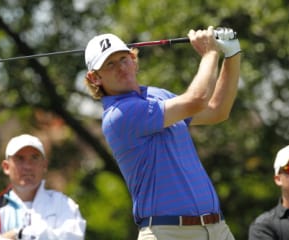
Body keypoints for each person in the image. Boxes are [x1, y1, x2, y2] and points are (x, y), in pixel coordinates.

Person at [83, 26, 241, 239]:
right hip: (166, 232)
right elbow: (196, 99)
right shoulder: (119, 115)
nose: (120, 68)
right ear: (95, 78)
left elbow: (217, 111)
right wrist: (210, 53)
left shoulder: (157, 95)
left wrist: (232, 54)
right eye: (109, 64)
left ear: (133, 59)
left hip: (216, 229)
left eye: (123, 59)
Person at [0, 134, 86, 240]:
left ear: (44, 165)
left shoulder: (63, 204)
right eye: (20, 158)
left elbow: (73, 237)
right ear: (6, 167)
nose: (28, 166)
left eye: (34, 158)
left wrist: (19, 234)